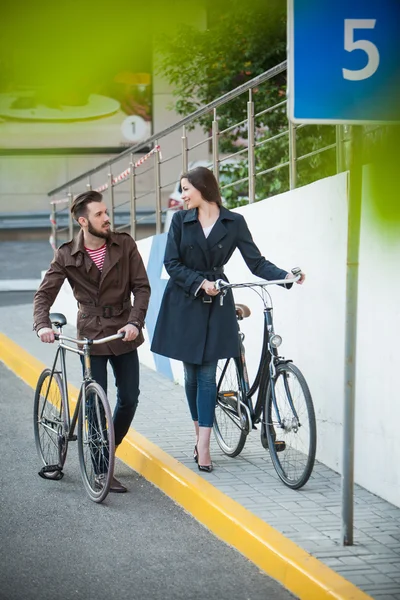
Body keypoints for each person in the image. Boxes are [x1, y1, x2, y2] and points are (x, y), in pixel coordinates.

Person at [151, 167, 304, 473]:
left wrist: (286, 277)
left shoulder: (234, 222)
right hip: (184, 299)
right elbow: (171, 263)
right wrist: (199, 283)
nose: (182, 196)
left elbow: (255, 261)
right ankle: (199, 435)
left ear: (202, 188)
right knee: (191, 375)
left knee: (207, 375)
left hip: (217, 300)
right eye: (181, 190)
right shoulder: (181, 220)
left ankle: (204, 447)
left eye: (185, 189)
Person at [33, 190, 151, 492]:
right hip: (91, 334)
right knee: (96, 404)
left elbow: (142, 287)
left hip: (123, 330)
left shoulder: (124, 244)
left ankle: (107, 449)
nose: (107, 218)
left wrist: (135, 322)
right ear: (83, 221)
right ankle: (101, 468)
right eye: (100, 214)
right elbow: (44, 294)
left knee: (129, 398)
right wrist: (42, 325)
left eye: (106, 212)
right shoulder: (66, 254)